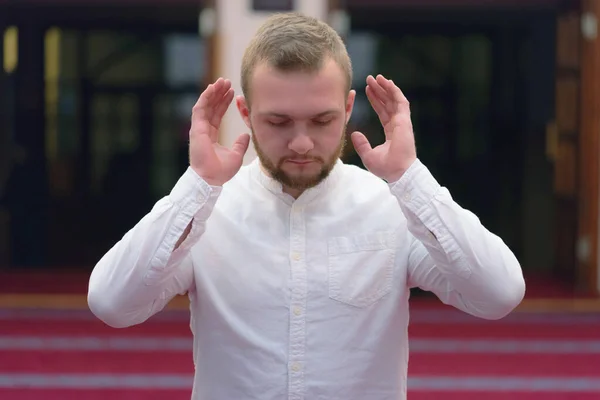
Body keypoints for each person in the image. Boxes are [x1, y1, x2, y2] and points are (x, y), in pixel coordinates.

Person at [88, 12, 526, 400]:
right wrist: (198, 186)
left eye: (322, 121)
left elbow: (498, 294)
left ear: (349, 108)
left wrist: (409, 177)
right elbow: (112, 303)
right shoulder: (206, 211)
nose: (301, 143)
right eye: (278, 122)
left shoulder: (393, 206)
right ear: (245, 111)